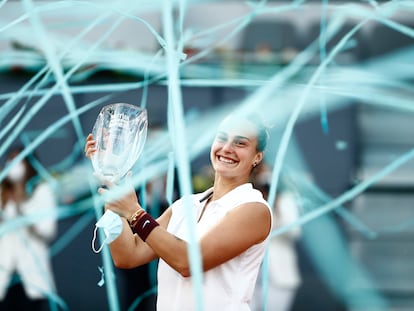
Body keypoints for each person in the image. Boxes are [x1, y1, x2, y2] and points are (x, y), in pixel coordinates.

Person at [85, 113, 273, 311]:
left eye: (240, 143)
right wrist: (113, 178)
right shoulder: (186, 205)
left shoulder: (254, 208)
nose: (227, 148)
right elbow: (128, 255)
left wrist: (135, 212)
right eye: (222, 138)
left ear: (257, 157)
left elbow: (188, 262)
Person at [0, 147, 58, 311]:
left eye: (19, 161)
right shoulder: (2, 193)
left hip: (31, 274)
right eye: (10, 161)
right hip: (5, 273)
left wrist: (20, 207)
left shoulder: (42, 191)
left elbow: (47, 231)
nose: (14, 166)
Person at [251, 167, 302, 311]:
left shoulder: (285, 200)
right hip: (251, 276)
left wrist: (276, 212)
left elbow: (294, 231)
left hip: (278, 274)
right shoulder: (251, 202)